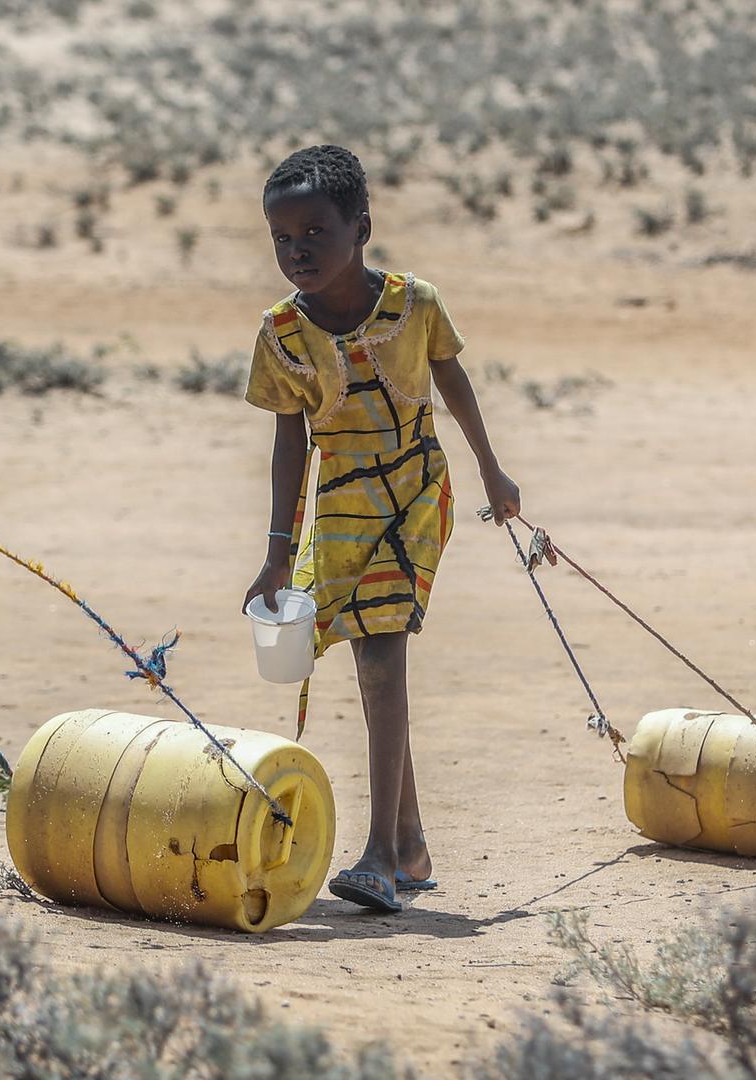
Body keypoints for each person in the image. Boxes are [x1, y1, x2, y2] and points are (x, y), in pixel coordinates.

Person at [241, 145, 522, 914]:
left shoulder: (415, 302)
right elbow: (289, 439)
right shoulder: (280, 332)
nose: (296, 252)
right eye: (282, 239)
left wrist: (493, 472)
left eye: (314, 234)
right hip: (338, 504)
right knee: (367, 667)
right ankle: (409, 842)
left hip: (413, 489)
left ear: (360, 227)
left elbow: (451, 378)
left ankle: (377, 859)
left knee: (381, 655)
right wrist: (276, 552)